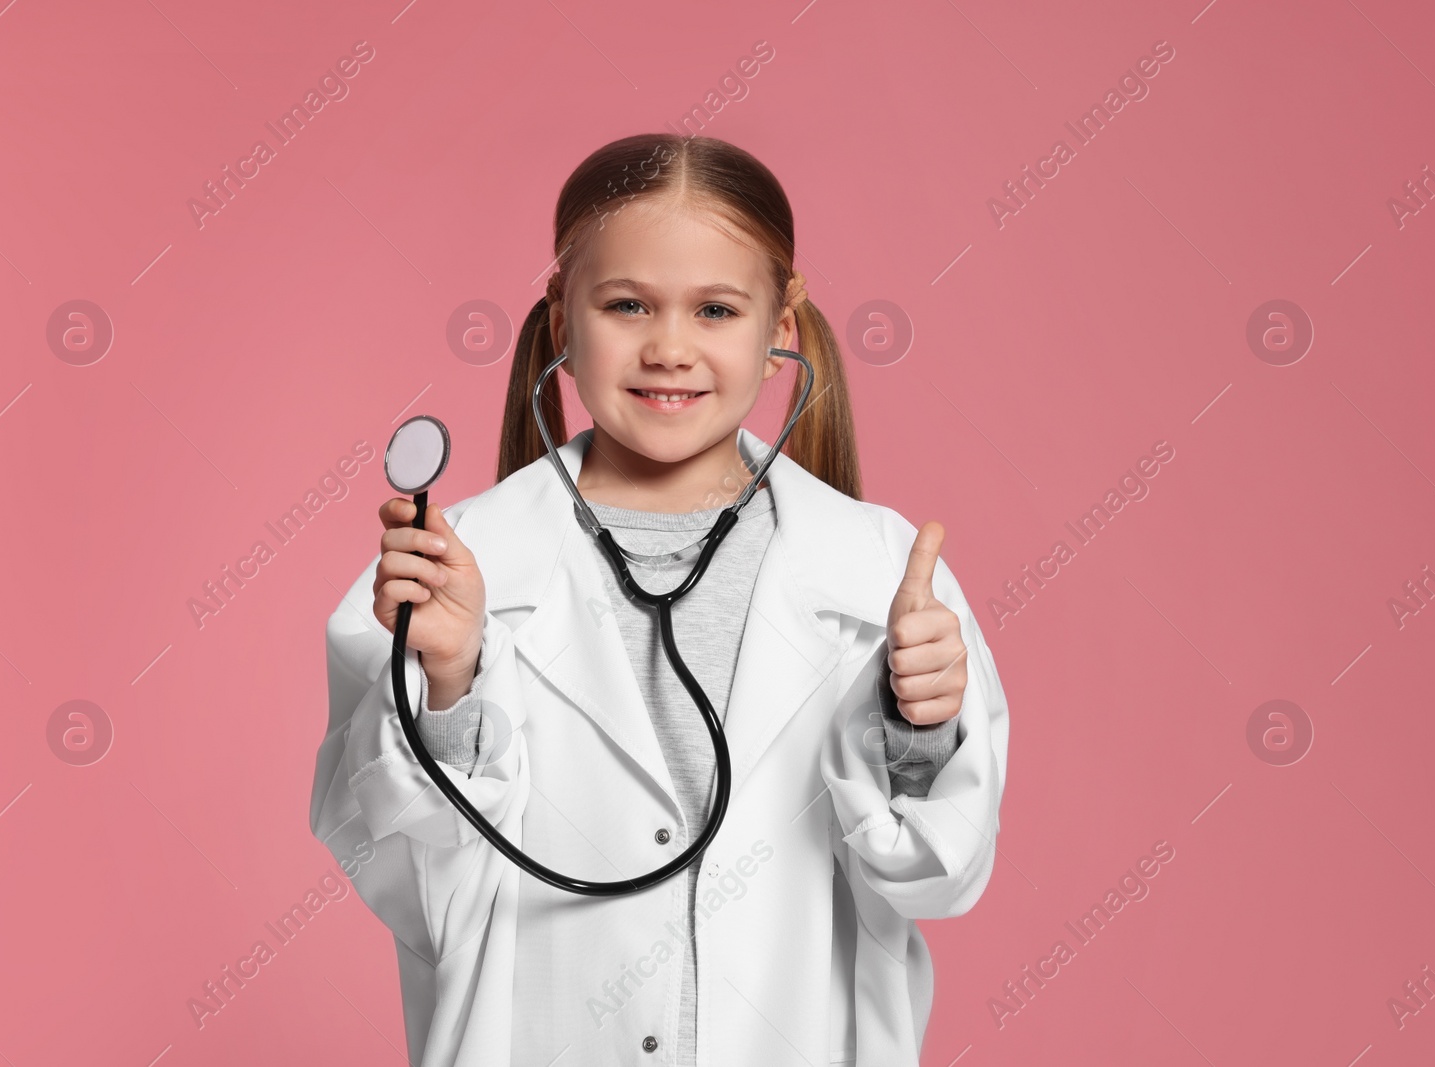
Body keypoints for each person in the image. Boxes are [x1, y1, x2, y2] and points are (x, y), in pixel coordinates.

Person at [309, 133, 1010, 1066]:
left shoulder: (879, 575)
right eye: (627, 303)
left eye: (716, 308)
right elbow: (400, 873)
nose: (669, 347)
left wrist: (919, 727)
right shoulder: (453, 570)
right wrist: (450, 684)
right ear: (562, 316)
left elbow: (936, 876)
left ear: (780, 331)